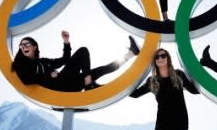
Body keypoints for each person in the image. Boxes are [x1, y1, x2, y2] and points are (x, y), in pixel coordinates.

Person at [12, 30, 140, 92]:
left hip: (70, 82)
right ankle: (89, 85)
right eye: (21, 45)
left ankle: (131, 53)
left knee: (101, 69)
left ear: (35, 47)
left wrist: (66, 42)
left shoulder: (44, 61)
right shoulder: (22, 65)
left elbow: (65, 60)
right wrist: (48, 75)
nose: (24, 47)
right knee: (83, 51)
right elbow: (26, 80)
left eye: (27, 44)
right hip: (60, 87)